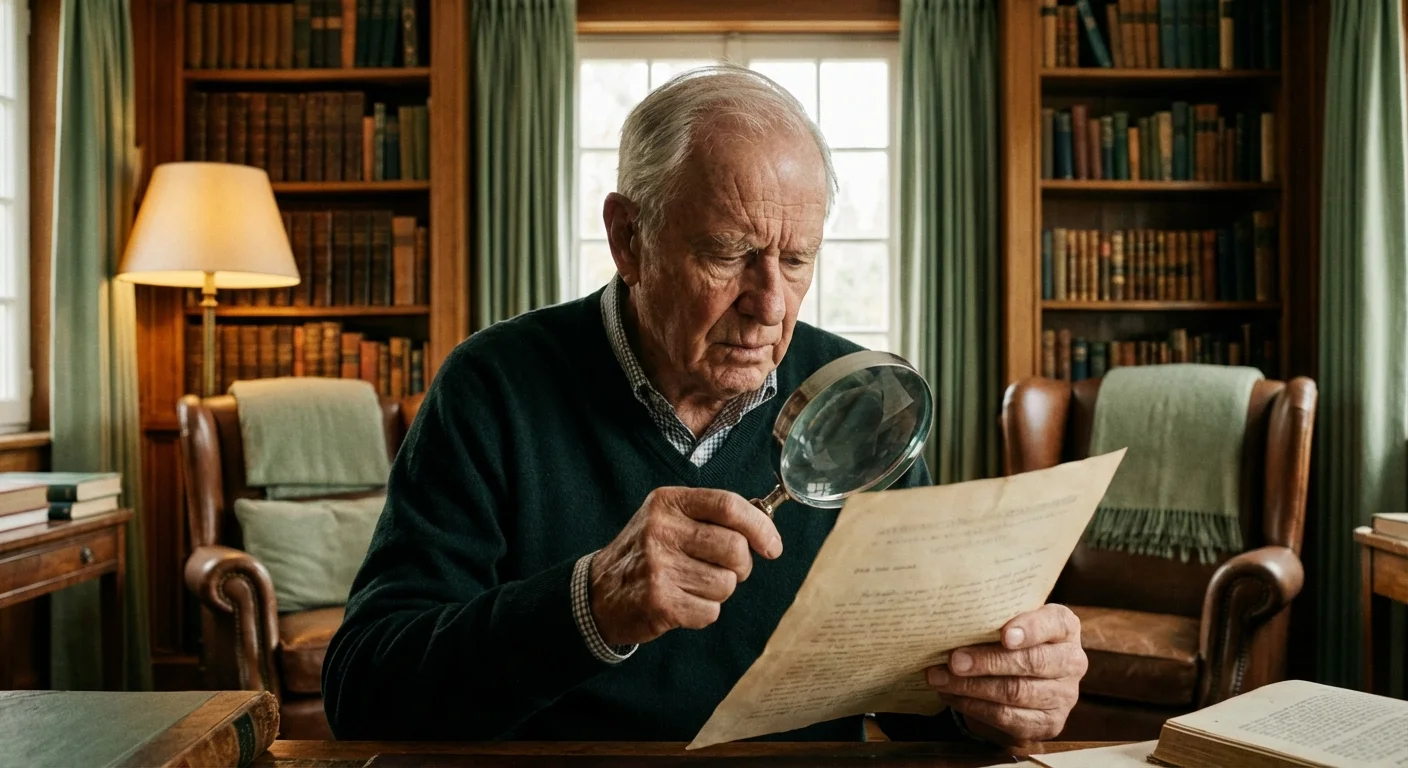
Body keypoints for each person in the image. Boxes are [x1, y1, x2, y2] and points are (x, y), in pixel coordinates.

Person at [322, 65, 1086, 744]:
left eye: (796, 259)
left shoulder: (860, 399)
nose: (769, 305)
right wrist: (589, 604)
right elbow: (364, 691)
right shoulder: (493, 386)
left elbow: (914, 704)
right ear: (629, 238)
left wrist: (991, 698)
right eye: (728, 254)